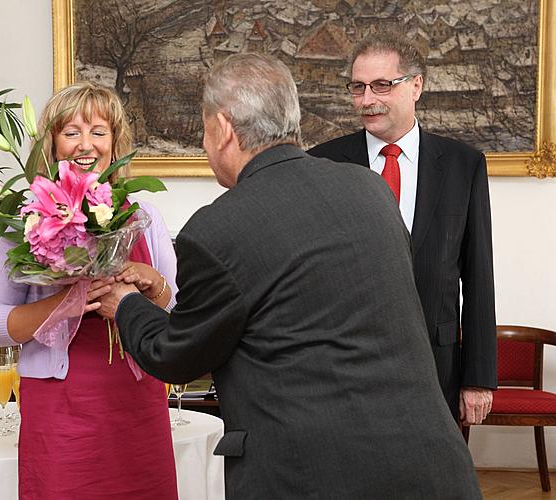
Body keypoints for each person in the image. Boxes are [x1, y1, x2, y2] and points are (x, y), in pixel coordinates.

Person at [90, 53, 482, 498]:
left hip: (310, 477)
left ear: (222, 128)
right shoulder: (369, 189)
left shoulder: (216, 229)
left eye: (204, 130)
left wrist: (125, 305)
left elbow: (177, 356)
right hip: (432, 466)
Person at [0, 82, 179, 500]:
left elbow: (175, 310)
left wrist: (151, 281)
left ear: (114, 142)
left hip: (138, 404)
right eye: (71, 132)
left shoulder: (145, 216)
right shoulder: (22, 223)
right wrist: (65, 304)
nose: (85, 145)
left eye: (98, 132)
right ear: (51, 145)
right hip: (60, 413)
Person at [308, 31, 496, 426]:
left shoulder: (464, 165)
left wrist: (478, 379)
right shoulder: (322, 164)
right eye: (358, 88)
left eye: (381, 85)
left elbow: (479, 276)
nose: (367, 100)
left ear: (416, 86)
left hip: (436, 365)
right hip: (343, 368)